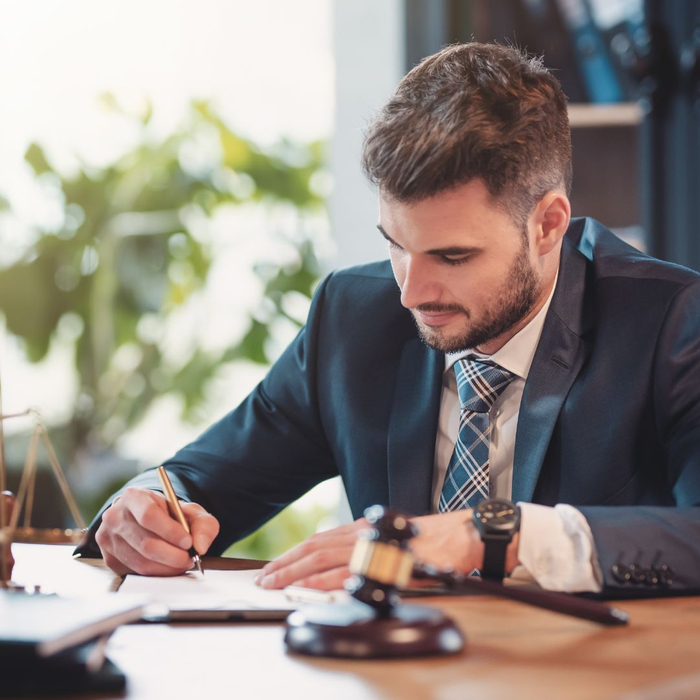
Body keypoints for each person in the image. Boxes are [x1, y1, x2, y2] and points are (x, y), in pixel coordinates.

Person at [76, 42, 700, 596]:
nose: (411, 292)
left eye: (452, 255)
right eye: (395, 245)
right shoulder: (353, 317)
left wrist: (492, 536)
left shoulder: (671, 323)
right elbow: (196, 483)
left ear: (547, 225)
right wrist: (149, 512)